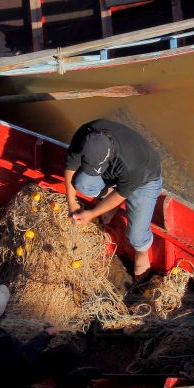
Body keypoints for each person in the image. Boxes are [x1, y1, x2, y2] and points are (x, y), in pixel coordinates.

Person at [64, 119, 163, 278]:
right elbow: (71, 166)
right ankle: (109, 193)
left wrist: (92, 214)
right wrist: (71, 202)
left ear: (109, 154)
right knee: (82, 183)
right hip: (116, 174)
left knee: (136, 236)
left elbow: (121, 194)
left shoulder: (134, 165)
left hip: (144, 181)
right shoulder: (85, 135)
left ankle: (142, 254)